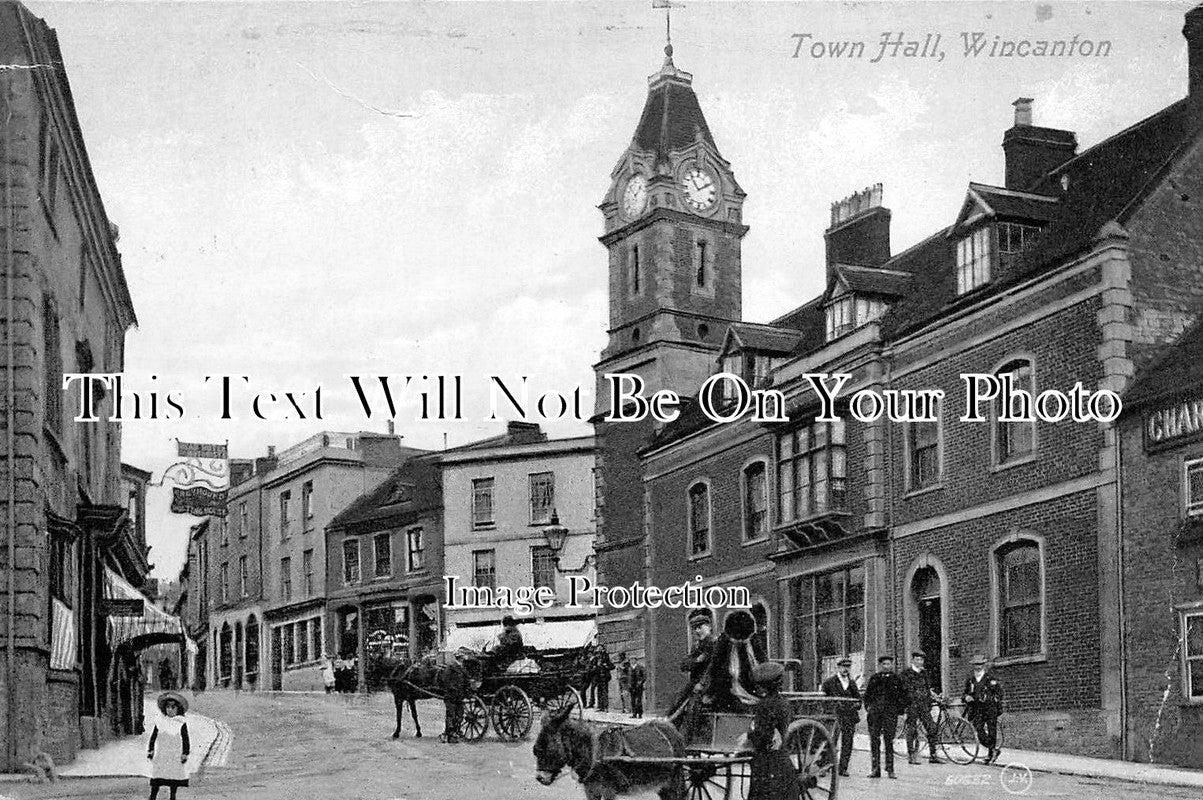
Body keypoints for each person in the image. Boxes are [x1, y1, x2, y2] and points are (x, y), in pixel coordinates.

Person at [745, 662, 801, 800]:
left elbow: (763, 735)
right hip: (781, 761)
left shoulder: (764, 705)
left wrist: (748, 735)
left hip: (766, 764)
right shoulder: (783, 703)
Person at [667, 610, 718, 727]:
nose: (697, 631)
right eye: (695, 628)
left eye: (700, 627)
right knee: (676, 702)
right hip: (694, 683)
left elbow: (712, 668)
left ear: (709, 627)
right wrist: (697, 660)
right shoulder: (697, 646)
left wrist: (702, 684)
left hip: (709, 685)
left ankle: (688, 734)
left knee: (692, 708)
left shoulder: (715, 644)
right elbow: (684, 665)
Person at [863, 655, 906, 779]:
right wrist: (869, 708)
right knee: (874, 741)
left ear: (891, 665)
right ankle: (875, 769)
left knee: (889, 741)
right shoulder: (874, 678)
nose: (886, 666)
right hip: (875, 714)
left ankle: (890, 769)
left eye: (888, 664)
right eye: (884, 664)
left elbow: (903, 696)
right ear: (880, 665)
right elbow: (867, 695)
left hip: (890, 714)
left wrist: (898, 711)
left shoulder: (896, 679)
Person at [821, 656, 861, 778]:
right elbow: (823, 700)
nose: (846, 669)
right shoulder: (829, 682)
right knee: (831, 741)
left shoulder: (852, 683)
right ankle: (826, 766)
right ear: (838, 668)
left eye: (848, 667)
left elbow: (858, 699)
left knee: (847, 742)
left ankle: (843, 768)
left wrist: (855, 705)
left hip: (849, 716)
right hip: (835, 716)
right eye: (843, 667)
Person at [146, 692, 190, 800]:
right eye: (168, 707)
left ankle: (172, 796)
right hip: (162, 754)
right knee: (157, 776)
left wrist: (185, 752)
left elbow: (185, 738)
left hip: (174, 754)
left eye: (173, 707)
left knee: (173, 776)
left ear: (178, 709)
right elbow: (153, 736)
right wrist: (151, 749)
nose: (170, 710)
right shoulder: (160, 721)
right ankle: (153, 796)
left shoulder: (180, 722)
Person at [900, 651, 942, 765]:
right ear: (913, 660)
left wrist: (934, 696)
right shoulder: (906, 673)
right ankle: (911, 756)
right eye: (917, 659)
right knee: (912, 730)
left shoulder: (924, 673)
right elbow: (904, 691)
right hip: (912, 706)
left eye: (921, 660)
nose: (919, 662)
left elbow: (928, 689)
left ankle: (933, 755)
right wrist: (905, 706)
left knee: (932, 728)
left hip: (924, 706)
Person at [962, 654, 1004, 764]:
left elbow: (999, 693)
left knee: (991, 730)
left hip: (990, 708)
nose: (978, 666)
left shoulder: (990, 678)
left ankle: (991, 753)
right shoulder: (970, 679)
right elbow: (965, 693)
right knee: (978, 729)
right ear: (973, 665)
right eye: (976, 664)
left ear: (984, 665)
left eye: (980, 664)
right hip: (977, 709)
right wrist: (966, 697)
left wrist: (990, 699)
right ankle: (993, 749)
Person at [437, 655, 471, 743]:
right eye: (462, 658)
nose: (463, 660)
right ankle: (450, 736)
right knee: (451, 715)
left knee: (459, 714)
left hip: (459, 695)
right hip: (450, 695)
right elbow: (445, 679)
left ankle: (455, 732)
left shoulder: (461, 667)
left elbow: (466, 679)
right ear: (458, 658)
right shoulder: (451, 667)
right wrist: (452, 688)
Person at [594, 644, 614, 712]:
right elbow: (595, 666)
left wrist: (605, 666)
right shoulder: (596, 656)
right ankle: (600, 706)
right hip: (598, 677)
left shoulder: (606, 656)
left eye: (600, 647)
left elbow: (611, 666)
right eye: (598, 648)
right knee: (599, 692)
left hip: (604, 677)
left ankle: (605, 707)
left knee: (604, 692)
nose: (599, 649)